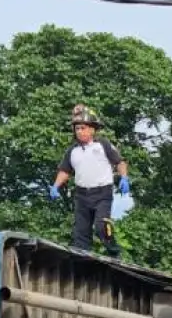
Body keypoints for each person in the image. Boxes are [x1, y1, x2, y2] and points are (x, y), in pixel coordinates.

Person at [49, 104, 129, 258]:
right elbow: (65, 171)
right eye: (77, 128)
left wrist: (124, 177)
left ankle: (113, 252)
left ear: (92, 129)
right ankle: (83, 262)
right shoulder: (72, 151)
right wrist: (55, 186)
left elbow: (119, 162)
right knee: (80, 233)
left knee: (101, 226)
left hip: (102, 193)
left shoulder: (103, 144)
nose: (80, 131)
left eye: (83, 128)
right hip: (82, 195)